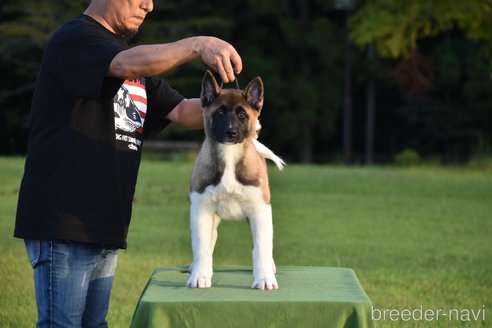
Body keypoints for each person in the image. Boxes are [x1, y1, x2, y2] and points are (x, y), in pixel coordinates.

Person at [13, 0, 242, 327]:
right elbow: (122, 65)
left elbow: (183, 112)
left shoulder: (135, 67)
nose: (148, 5)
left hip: (104, 223)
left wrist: (241, 109)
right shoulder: (77, 39)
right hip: (63, 221)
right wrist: (197, 44)